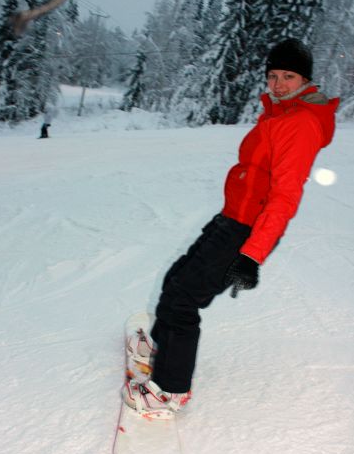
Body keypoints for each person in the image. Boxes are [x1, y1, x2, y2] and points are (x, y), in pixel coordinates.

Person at [124, 38, 340, 415]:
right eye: (273, 76)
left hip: (247, 229)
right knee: (176, 280)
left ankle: (170, 390)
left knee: (183, 300)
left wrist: (251, 255)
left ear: (306, 80)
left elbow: (285, 196)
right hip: (234, 216)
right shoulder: (279, 114)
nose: (278, 84)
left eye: (288, 77)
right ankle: (163, 349)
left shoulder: (300, 122)